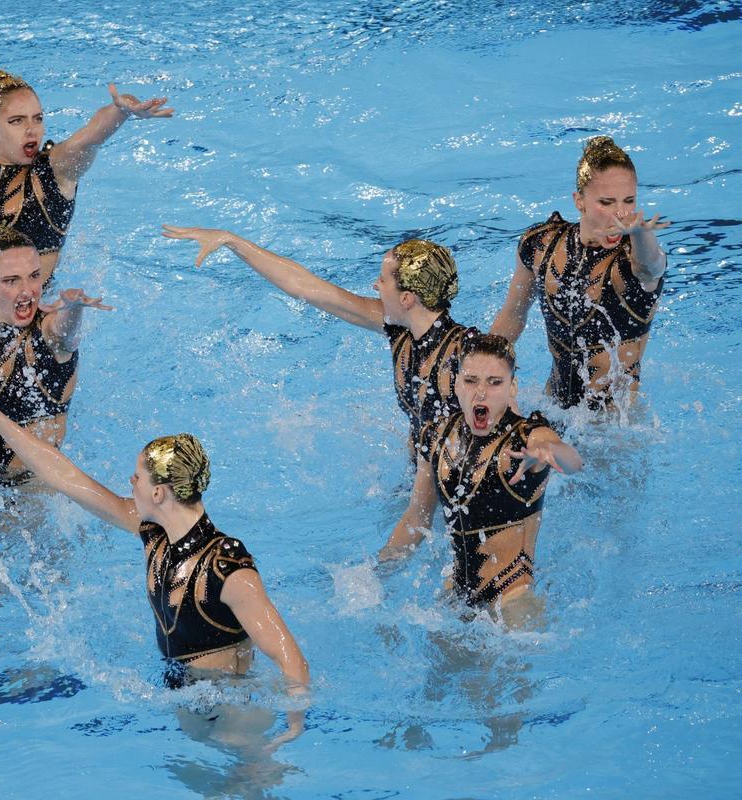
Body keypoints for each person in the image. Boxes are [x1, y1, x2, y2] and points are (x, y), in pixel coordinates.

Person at [0, 381, 310, 706]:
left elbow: (290, 659)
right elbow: (64, 476)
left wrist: (290, 728)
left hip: (229, 708)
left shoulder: (227, 568)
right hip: (183, 696)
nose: (130, 483)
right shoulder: (155, 534)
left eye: (138, 478)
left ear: (159, 493)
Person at [163, 226, 478, 450]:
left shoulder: (467, 353)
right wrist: (232, 241)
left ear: (408, 298)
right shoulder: (402, 331)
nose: (375, 286)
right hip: (425, 470)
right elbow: (306, 287)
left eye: (382, 280)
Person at [378, 335, 583, 625]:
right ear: (457, 384)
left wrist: (551, 451)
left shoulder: (527, 438)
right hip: (455, 597)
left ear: (512, 387)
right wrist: (379, 571)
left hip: (512, 603)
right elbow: (418, 516)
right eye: (471, 380)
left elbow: (574, 462)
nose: (481, 393)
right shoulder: (436, 437)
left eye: (495, 382)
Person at [0, 70, 173, 286]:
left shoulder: (54, 174)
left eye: (37, 119)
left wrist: (123, 111)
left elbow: (90, 137)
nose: (31, 130)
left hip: (31, 325)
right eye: (17, 121)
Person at [490, 136, 670, 410]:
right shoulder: (541, 244)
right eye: (607, 202)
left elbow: (652, 267)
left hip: (612, 429)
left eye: (629, 200)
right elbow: (512, 317)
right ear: (579, 201)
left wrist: (641, 233)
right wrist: (477, 372)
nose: (620, 214)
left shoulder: (630, 262)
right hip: (553, 408)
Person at [0, 225, 110, 486]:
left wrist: (74, 309)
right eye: (11, 280)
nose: (28, 290)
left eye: (34, 276)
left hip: (36, 494)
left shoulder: (47, 335)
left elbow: (66, 335)